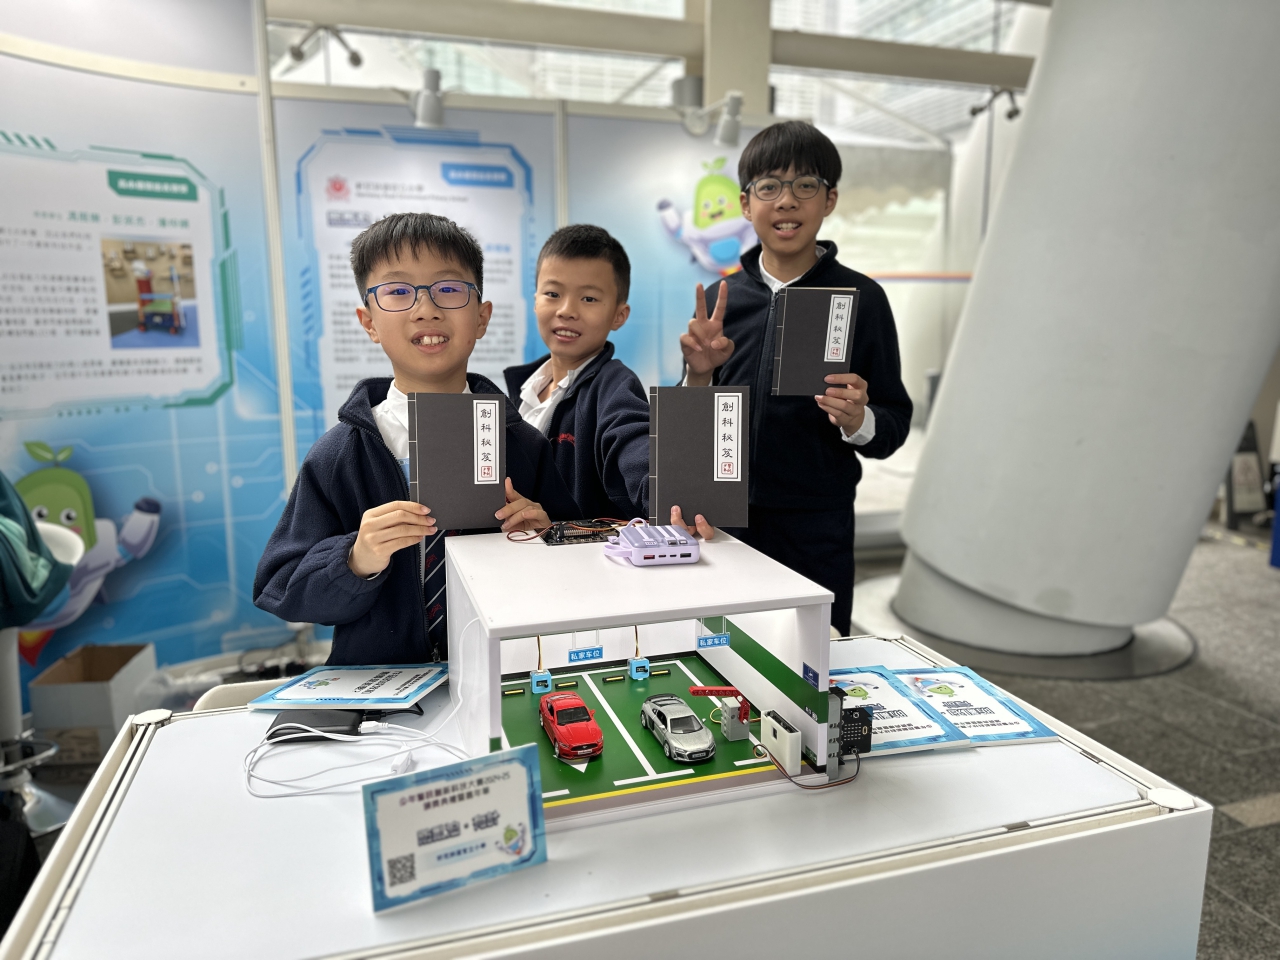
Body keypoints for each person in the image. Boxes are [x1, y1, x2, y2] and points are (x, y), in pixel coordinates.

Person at [254, 213, 579, 665]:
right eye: (398, 291)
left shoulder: (522, 445)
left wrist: (548, 539)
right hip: (383, 689)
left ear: (482, 317)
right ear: (368, 322)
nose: (426, 308)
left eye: (449, 288)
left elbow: (577, 572)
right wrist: (355, 558)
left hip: (504, 678)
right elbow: (280, 587)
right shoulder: (340, 455)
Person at [679, 121, 913, 634]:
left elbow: (894, 423)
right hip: (724, 524)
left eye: (805, 185)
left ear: (829, 200)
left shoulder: (862, 299)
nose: (787, 200)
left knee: (813, 658)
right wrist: (698, 376)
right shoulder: (722, 301)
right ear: (746, 204)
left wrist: (859, 420)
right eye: (769, 187)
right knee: (720, 653)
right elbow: (693, 429)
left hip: (816, 526)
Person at [504, 224, 714, 536]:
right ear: (535, 300)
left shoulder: (615, 387)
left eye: (589, 298)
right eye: (553, 294)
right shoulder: (522, 390)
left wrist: (669, 502)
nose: (567, 310)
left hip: (584, 563)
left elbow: (636, 446)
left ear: (619, 315)